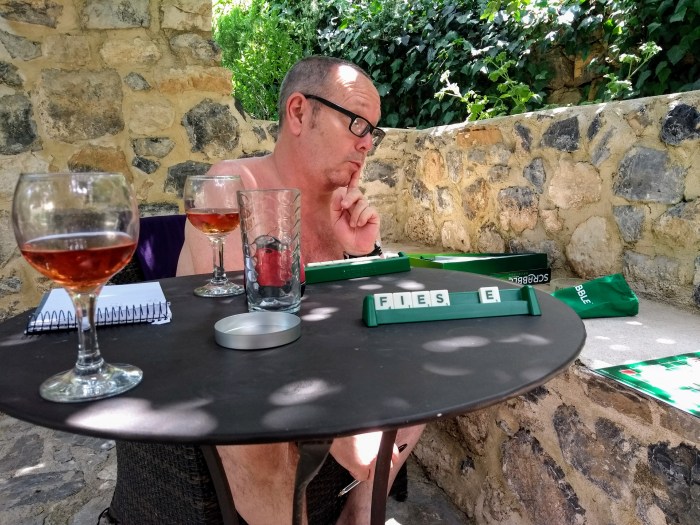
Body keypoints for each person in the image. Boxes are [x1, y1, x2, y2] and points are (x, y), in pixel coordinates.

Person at [177, 55, 425, 525]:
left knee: (425, 367)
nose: (367, 143)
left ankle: (358, 514)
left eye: (373, 131)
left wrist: (363, 254)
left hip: (325, 370)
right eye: (357, 123)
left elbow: (373, 318)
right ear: (298, 112)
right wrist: (344, 427)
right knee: (262, 432)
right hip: (233, 379)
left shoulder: (343, 208)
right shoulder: (233, 185)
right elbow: (249, 332)